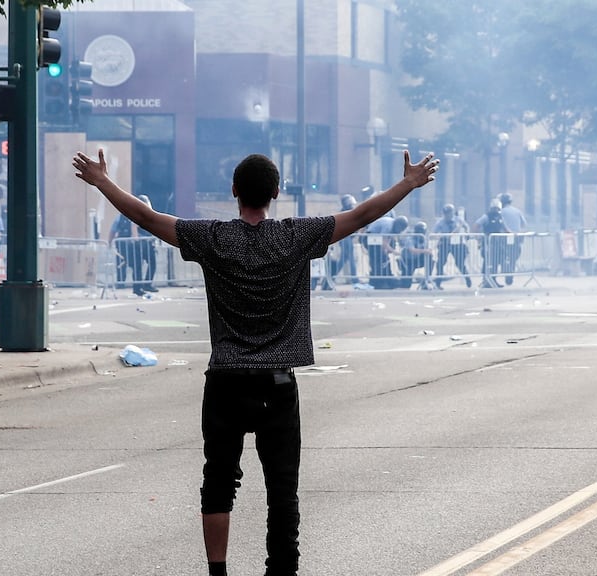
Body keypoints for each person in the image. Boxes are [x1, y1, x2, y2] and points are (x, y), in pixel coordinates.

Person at [72, 147, 439, 576]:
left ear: (234, 192)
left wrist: (103, 182)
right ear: (276, 193)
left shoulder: (213, 237)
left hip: (225, 379)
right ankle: (281, 570)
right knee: (282, 491)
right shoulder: (295, 236)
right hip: (277, 384)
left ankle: (218, 572)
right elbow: (360, 216)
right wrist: (408, 183)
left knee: (218, 484)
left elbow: (149, 219)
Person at [432, 203, 472, 289]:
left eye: (449, 213)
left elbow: (466, 226)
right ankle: (438, 282)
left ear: (452, 212)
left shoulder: (458, 220)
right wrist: (438, 236)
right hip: (445, 243)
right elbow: (434, 232)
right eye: (446, 213)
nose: (447, 215)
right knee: (440, 263)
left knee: (460, 263)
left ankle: (467, 277)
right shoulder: (440, 222)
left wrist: (467, 234)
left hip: (456, 243)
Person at [364, 214, 408, 289]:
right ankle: (377, 282)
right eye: (400, 229)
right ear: (398, 225)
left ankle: (387, 280)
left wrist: (386, 250)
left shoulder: (393, 227)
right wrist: (394, 251)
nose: (400, 231)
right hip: (371, 239)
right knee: (377, 260)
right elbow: (383, 242)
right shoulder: (388, 226)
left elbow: (388, 239)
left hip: (377, 240)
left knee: (384, 259)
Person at [108, 207, 144, 296]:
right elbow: (113, 230)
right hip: (130, 245)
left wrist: (109, 242)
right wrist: (109, 242)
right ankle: (136, 287)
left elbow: (113, 231)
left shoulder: (120, 217)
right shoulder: (133, 217)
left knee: (124, 264)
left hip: (123, 245)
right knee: (135, 266)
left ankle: (122, 284)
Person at [326, 194, 360, 285]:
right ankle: (353, 278)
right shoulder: (345, 212)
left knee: (345, 259)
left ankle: (332, 276)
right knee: (348, 258)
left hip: (347, 237)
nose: (352, 204)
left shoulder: (348, 212)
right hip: (345, 238)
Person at [473, 201, 508, 288]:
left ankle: (493, 280)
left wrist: (512, 234)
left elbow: (505, 227)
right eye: (494, 208)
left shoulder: (500, 217)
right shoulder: (486, 217)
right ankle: (485, 281)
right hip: (488, 243)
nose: (496, 210)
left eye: (497, 209)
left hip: (497, 243)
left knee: (496, 262)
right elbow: (476, 225)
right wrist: (478, 238)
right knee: (487, 261)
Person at [498, 192, 527, 285]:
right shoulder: (517, 211)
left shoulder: (500, 212)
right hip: (516, 237)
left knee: (503, 255)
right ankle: (510, 274)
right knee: (513, 257)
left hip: (504, 237)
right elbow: (524, 224)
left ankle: (506, 270)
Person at [400, 221, 435, 289]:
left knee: (430, 259)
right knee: (406, 285)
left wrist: (429, 251)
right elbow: (412, 250)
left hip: (417, 259)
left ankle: (425, 281)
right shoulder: (410, 238)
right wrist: (424, 251)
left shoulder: (424, 238)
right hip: (408, 261)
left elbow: (427, 250)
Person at [136, 195, 159, 293]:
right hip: (142, 243)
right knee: (140, 265)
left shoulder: (147, 214)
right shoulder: (138, 214)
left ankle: (146, 284)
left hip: (148, 243)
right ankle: (142, 285)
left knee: (152, 264)